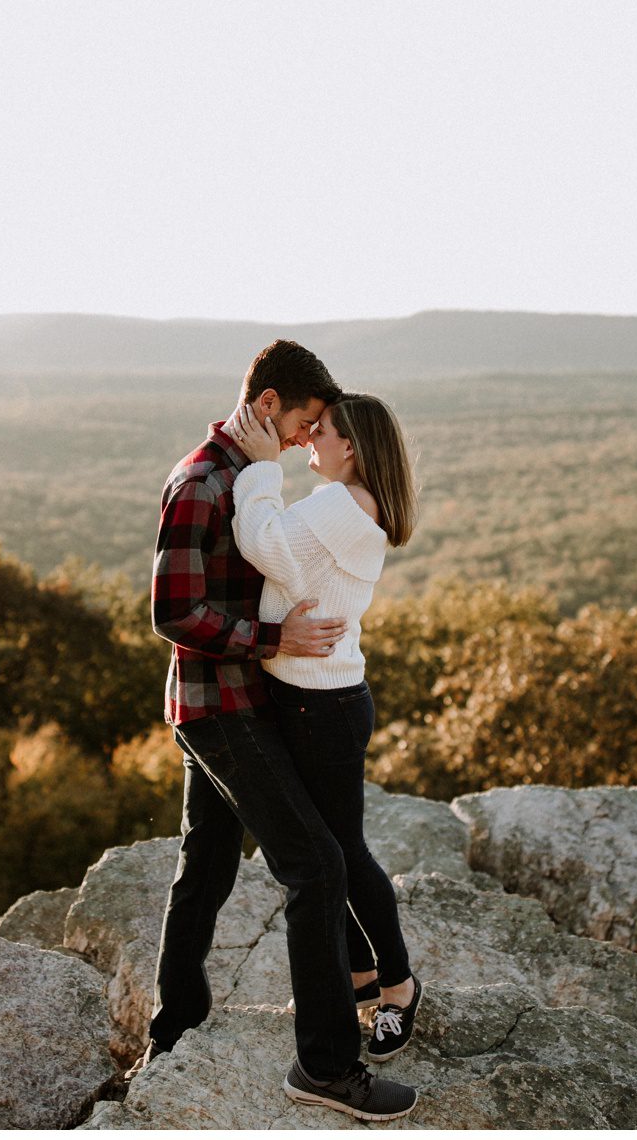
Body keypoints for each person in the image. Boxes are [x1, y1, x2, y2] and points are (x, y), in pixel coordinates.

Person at [147, 340, 419, 1123]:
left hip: (252, 701)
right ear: (269, 405)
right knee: (318, 867)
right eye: (303, 422)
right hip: (219, 706)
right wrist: (270, 643)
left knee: (205, 868)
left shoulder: (245, 478)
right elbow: (172, 613)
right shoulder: (204, 479)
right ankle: (327, 1066)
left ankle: (174, 1033)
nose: (307, 440)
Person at [223, 392, 425, 1064]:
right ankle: (362, 971)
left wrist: (260, 468)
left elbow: (265, 545)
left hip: (324, 707)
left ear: (353, 448)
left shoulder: (343, 503)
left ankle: (397, 987)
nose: (310, 438)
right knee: (327, 847)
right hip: (319, 700)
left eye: (325, 431)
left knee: (341, 852)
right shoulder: (354, 502)